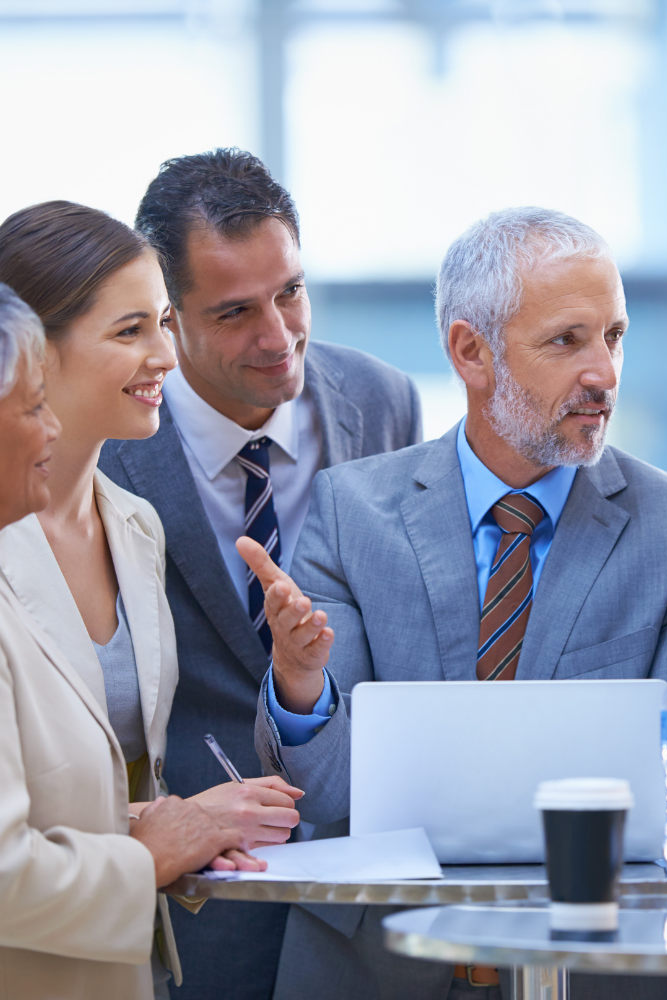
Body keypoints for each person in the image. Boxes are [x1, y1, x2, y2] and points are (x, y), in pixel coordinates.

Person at [241, 207, 667, 1000]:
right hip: (374, 967)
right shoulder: (351, 509)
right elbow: (329, 795)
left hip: (602, 968)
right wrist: (299, 682)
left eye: (615, 336)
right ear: (471, 351)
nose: (603, 371)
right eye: (567, 341)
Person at [97, 148, 423, 999]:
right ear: (167, 320)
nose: (279, 337)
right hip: (199, 887)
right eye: (237, 311)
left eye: (291, 292)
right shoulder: (114, 437)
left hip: (364, 879)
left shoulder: (383, 400)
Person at [0, 201, 305, 993]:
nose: (167, 354)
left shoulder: (135, 525)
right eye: (130, 331)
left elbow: (94, 785)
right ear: (34, 348)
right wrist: (149, 852)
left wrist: (184, 821)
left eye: (164, 322)